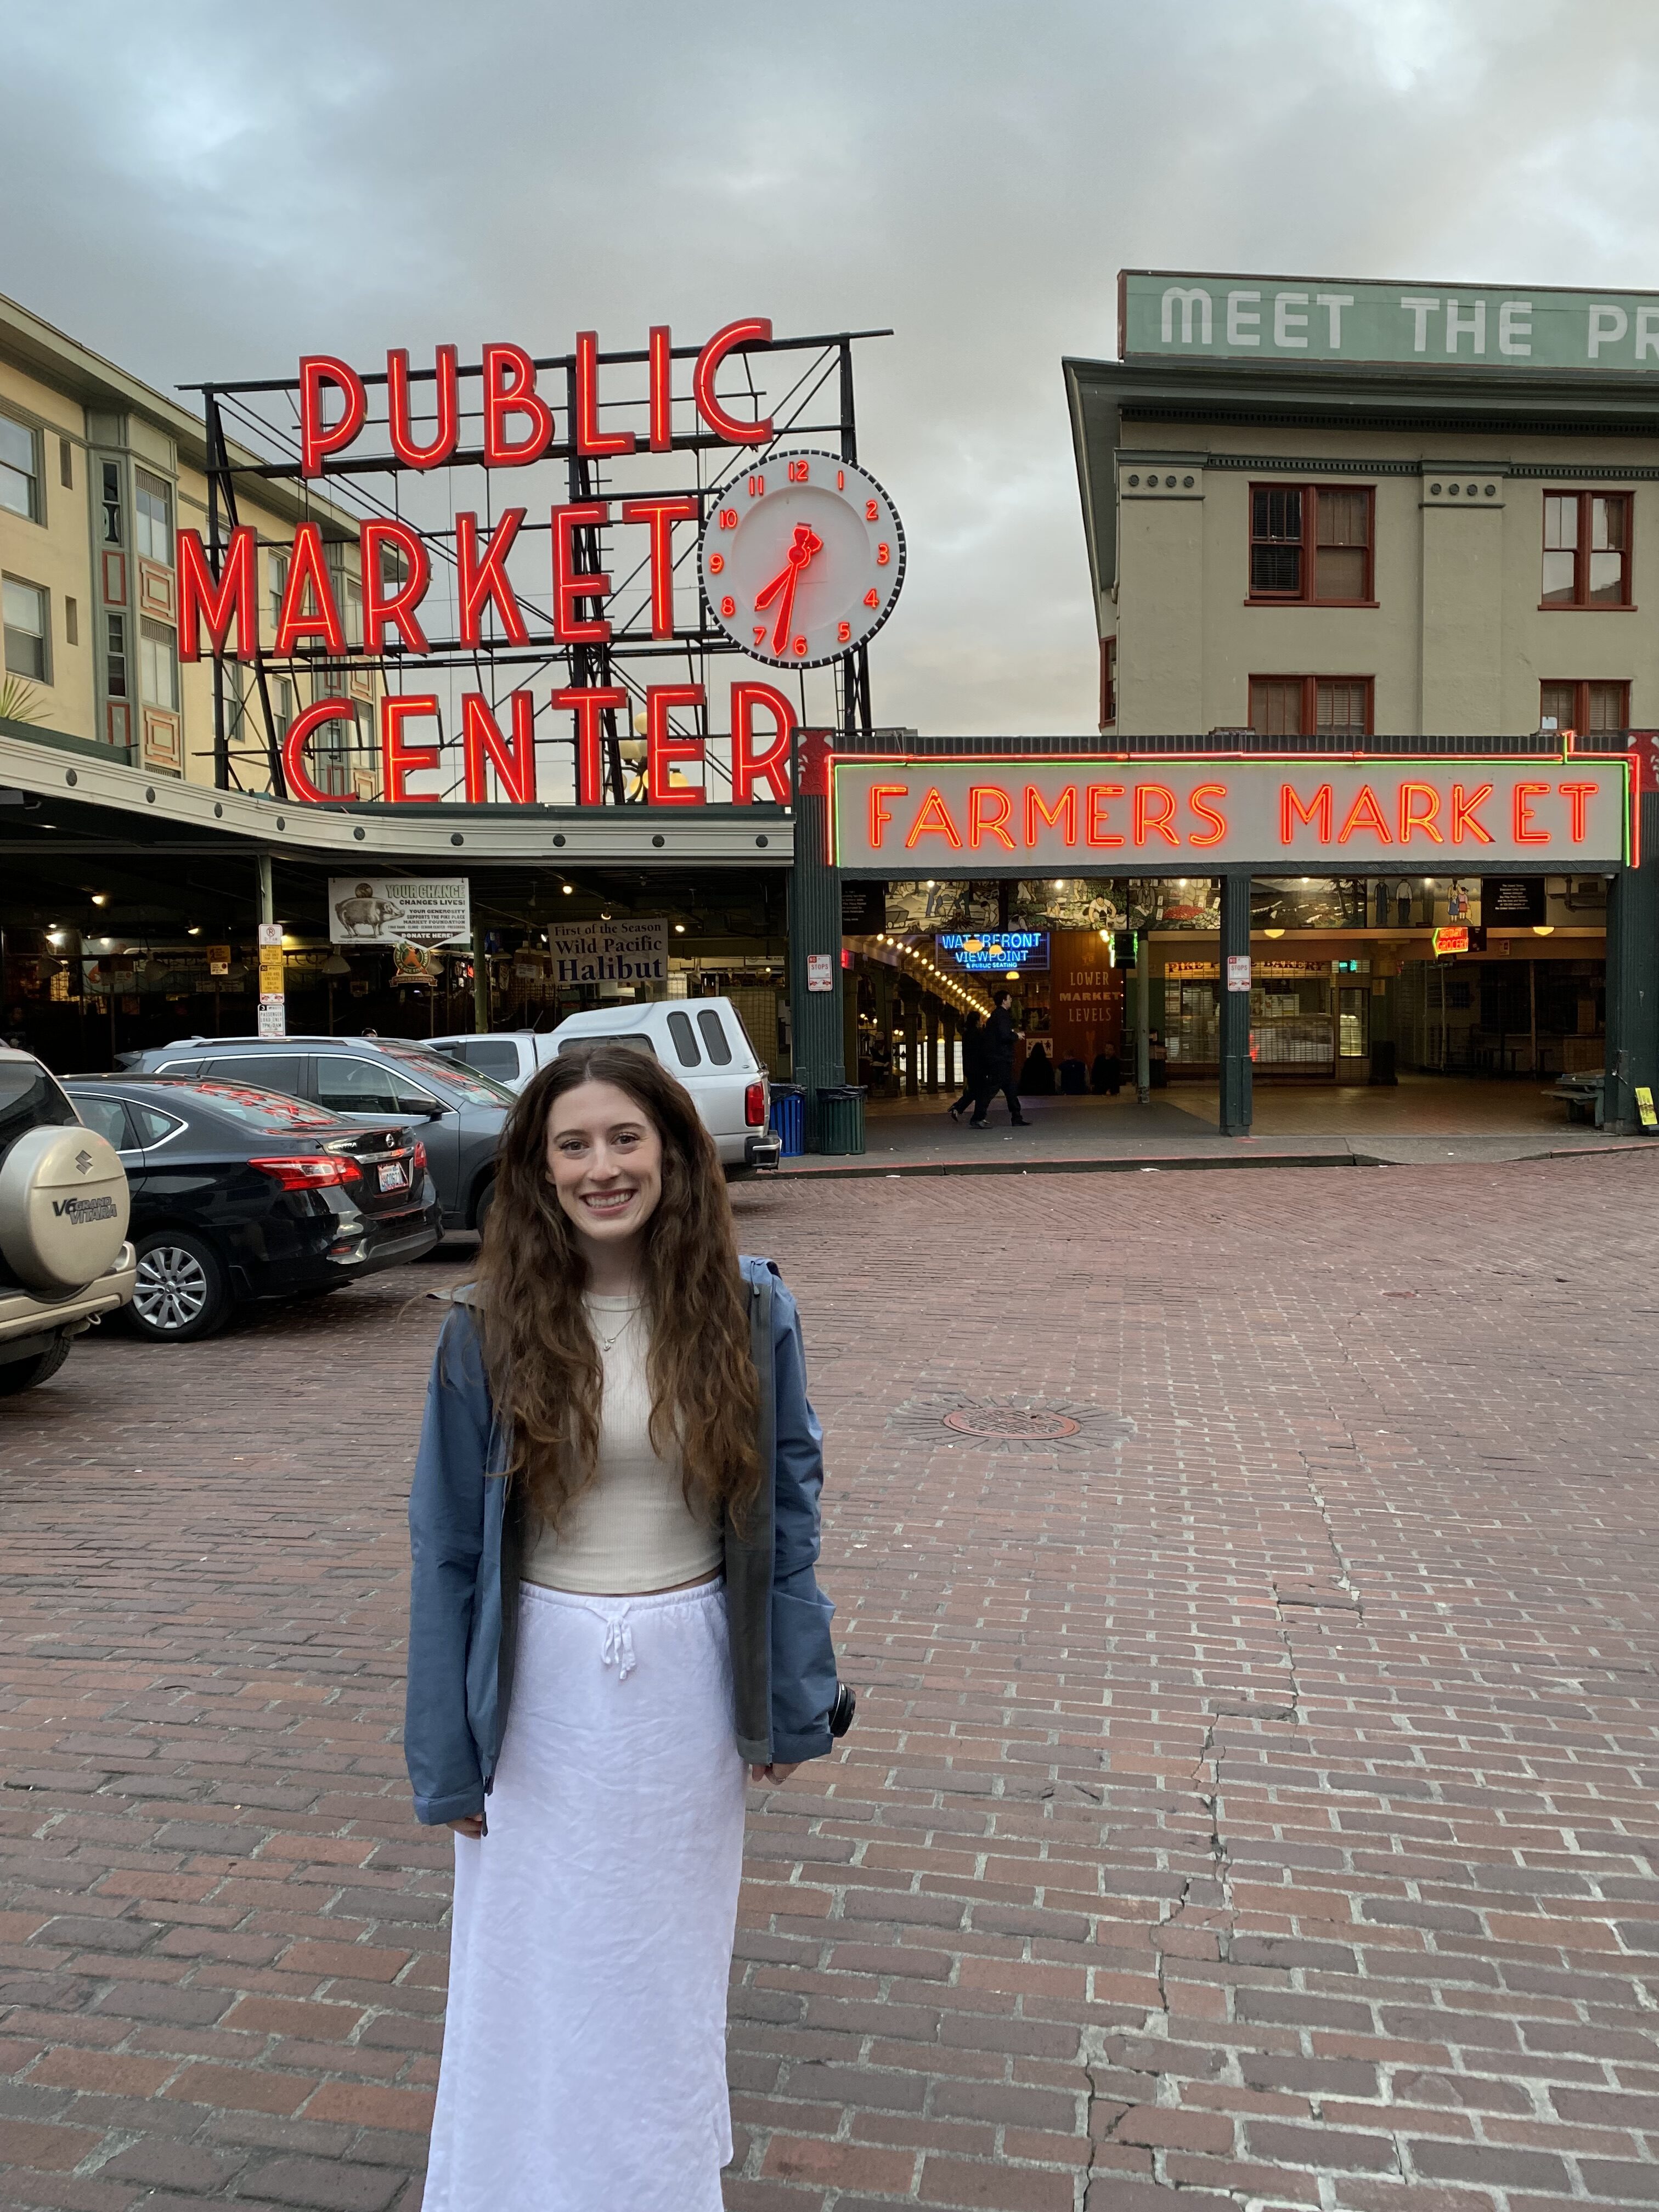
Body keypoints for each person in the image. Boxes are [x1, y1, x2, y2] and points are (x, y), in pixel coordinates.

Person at [405, 1043, 841, 2212]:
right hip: (538, 1684)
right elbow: (447, 1551)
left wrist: (793, 1698)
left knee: (661, 1965)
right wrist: (446, 1757)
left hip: (685, 1685)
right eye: (574, 1146)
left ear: (672, 1151)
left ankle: (651, 2182)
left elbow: (786, 1520)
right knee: (530, 1964)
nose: (603, 1168)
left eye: (625, 1139)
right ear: (540, 1171)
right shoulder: (486, 1327)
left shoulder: (749, 1312)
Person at [970, 988, 1028, 1128]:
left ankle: (1016, 1116)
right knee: (992, 1089)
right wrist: (1016, 1036)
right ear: (1004, 1001)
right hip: (1001, 1059)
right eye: (1010, 999)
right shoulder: (1002, 1016)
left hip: (997, 1059)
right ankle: (978, 1117)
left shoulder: (995, 1016)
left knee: (1010, 1089)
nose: (1011, 1001)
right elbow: (1004, 1036)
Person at [947, 1009, 985, 1120]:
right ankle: (977, 1117)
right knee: (979, 1092)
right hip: (977, 1068)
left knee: (974, 1091)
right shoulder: (977, 1034)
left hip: (969, 1068)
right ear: (977, 1021)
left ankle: (958, 1108)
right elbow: (981, 1050)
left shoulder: (967, 1034)